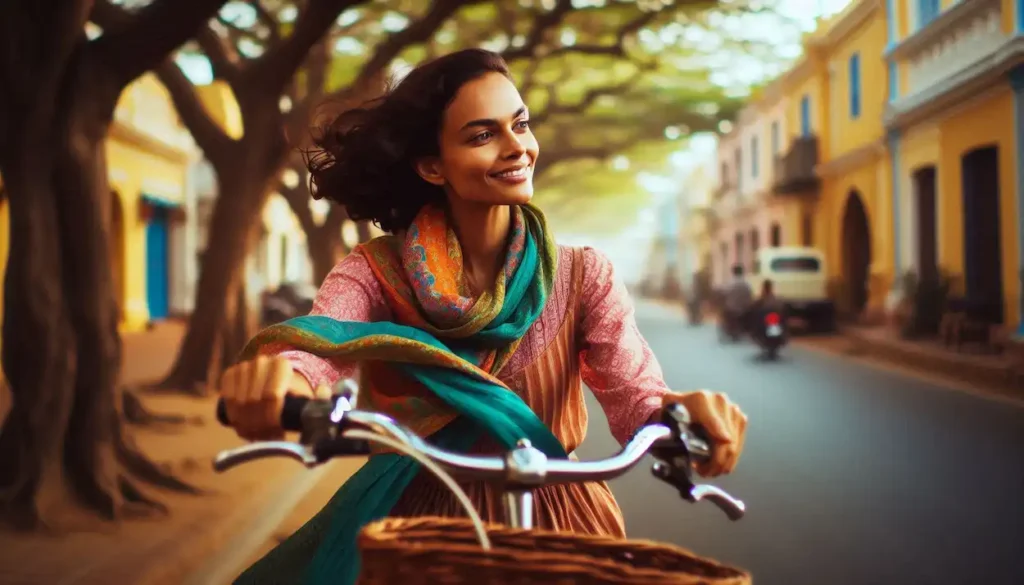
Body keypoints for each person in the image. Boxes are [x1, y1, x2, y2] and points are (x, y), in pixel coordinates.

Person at [217, 49, 748, 585]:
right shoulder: (376, 273)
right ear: (431, 165)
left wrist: (679, 417)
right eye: (481, 135)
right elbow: (314, 349)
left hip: (564, 529)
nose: (517, 146)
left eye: (520, 124)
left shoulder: (585, 275)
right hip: (423, 533)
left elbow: (638, 400)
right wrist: (280, 381)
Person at [722, 263, 753, 333]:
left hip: (732, 309)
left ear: (733, 272)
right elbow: (750, 296)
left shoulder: (730, 283)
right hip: (745, 309)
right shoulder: (747, 283)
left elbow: (724, 293)